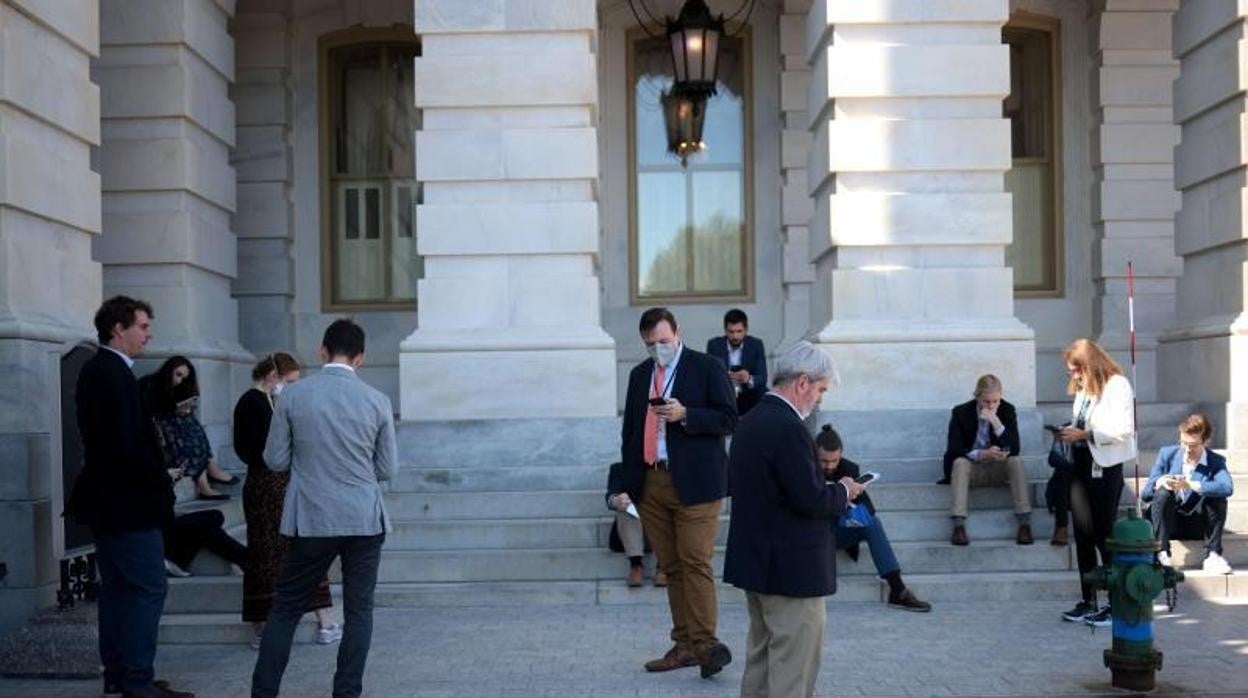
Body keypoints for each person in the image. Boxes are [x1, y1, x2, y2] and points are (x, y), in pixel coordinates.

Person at [251, 319, 398, 698]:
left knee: (285, 608)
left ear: (322, 351)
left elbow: (276, 459)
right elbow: (387, 469)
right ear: (361, 358)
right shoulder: (377, 401)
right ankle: (346, 693)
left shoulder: (293, 397)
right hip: (364, 518)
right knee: (360, 612)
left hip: (313, 517)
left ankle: (263, 692)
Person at [65, 296, 194, 698]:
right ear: (118, 329)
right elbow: (127, 445)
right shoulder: (111, 373)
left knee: (119, 590)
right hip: (127, 505)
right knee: (146, 588)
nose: (148, 334)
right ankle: (136, 680)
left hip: (112, 502)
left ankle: (121, 676)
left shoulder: (102, 370)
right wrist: (161, 481)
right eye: (142, 326)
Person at [723, 341, 863, 698]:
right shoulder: (788, 427)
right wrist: (844, 490)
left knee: (761, 663)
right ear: (802, 382)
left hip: (758, 562)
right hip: (791, 569)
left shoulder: (751, 420)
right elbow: (811, 498)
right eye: (820, 389)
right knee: (792, 672)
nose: (819, 399)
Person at [619, 307, 736, 678]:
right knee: (671, 566)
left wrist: (686, 414)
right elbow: (630, 433)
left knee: (695, 561)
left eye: (665, 342)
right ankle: (686, 645)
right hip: (652, 481)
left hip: (697, 482)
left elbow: (729, 419)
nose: (659, 349)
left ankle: (706, 646)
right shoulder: (640, 375)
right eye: (652, 344)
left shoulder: (707, 366)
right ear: (644, 342)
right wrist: (628, 484)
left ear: (678, 333)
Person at [234, 353, 339, 649]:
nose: (293, 387)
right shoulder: (251, 402)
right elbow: (252, 449)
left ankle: (325, 619)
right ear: (272, 375)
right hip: (265, 486)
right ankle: (263, 625)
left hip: (289, 484)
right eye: (289, 381)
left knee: (304, 547)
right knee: (266, 553)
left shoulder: (276, 402)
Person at [1056, 338, 1136, 628]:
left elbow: (1122, 430)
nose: (1075, 377)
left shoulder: (1117, 385)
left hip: (1104, 464)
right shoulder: (1084, 389)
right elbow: (1083, 422)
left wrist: (1086, 435)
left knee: (1104, 532)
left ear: (1089, 365)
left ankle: (1117, 603)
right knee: (1083, 533)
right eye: (1071, 372)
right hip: (1080, 463)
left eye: (1077, 370)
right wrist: (1070, 431)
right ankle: (1088, 598)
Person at [814, 425, 931, 612]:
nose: (829, 466)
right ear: (814, 454)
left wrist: (852, 504)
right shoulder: (805, 469)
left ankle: (897, 589)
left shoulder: (849, 469)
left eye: (834, 460)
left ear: (841, 455)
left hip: (838, 529)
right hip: (812, 534)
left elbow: (870, 508)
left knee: (873, 522)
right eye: (824, 461)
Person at [942, 374, 1032, 546]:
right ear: (977, 398)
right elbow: (954, 449)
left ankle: (1024, 523)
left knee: (1016, 461)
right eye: (986, 401)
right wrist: (981, 454)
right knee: (960, 463)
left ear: (1000, 397)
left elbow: (1015, 448)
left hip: (998, 468)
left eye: (995, 401)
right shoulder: (961, 412)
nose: (991, 406)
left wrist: (996, 423)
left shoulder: (1007, 410)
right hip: (973, 469)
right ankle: (959, 526)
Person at [1141, 414, 1234, 574]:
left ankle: (1213, 554)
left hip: (1196, 524)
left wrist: (1191, 484)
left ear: (1205, 442)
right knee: (1163, 492)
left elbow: (1227, 488)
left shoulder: (1215, 461)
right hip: (1168, 522)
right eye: (1184, 443)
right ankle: (1161, 552)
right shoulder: (1167, 454)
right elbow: (1145, 494)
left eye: (1193, 445)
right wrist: (1160, 482)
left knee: (1218, 498)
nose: (1187, 449)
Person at [141, 357, 236, 500]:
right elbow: (148, 409)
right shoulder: (149, 384)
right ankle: (204, 482)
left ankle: (209, 468)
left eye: (184, 377)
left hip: (173, 423)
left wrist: (184, 408)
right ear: (169, 370)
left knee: (191, 424)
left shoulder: (179, 388)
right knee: (183, 427)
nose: (180, 381)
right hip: (157, 425)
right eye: (178, 374)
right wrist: (174, 409)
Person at [605, 461, 665, 587]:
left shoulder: (669, 470)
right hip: (632, 532)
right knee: (626, 505)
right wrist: (616, 501)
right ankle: (635, 565)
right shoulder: (620, 468)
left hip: (659, 532)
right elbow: (612, 495)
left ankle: (663, 566)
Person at [705, 308, 768, 416]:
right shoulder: (714, 345)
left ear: (746, 330)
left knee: (763, 392)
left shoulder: (756, 345)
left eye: (739, 331)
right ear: (725, 330)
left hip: (748, 393)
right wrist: (725, 379)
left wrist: (748, 379)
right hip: (724, 393)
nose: (735, 336)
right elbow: (709, 375)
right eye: (731, 332)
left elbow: (762, 377)